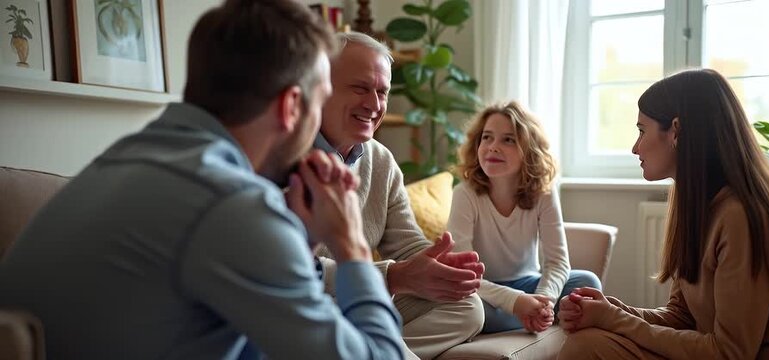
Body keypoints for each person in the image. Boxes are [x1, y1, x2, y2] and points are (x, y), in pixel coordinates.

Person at [0, 1, 404, 359]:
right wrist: (351, 246)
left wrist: (300, 237)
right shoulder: (230, 203)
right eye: (319, 104)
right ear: (291, 106)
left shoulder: (129, 158)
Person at [556, 68, 769, 359]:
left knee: (588, 347)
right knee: (588, 342)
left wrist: (615, 320)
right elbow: (681, 316)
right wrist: (611, 310)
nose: (635, 147)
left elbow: (731, 352)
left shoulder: (742, 215)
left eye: (642, 130)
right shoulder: (698, 205)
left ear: (676, 130)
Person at [312, 32, 485, 359]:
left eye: (382, 92)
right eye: (361, 88)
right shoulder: (283, 156)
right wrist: (392, 276)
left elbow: (406, 244)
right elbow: (287, 268)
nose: (374, 105)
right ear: (320, 86)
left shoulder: (380, 160)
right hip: (312, 301)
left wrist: (440, 266)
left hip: (363, 300)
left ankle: (364, 350)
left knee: (466, 307)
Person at [446, 101, 602, 334]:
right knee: (468, 310)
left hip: (528, 286)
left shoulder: (545, 194)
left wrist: (543, 301)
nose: (493, 147)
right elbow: (464, 276)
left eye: (508, 139)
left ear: (529, 150)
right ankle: (529, 316)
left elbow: (558, 263)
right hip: (481, 291)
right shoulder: (464, 194)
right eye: (487, 137)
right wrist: (516, 302)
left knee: (587, 284)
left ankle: (533, 316)